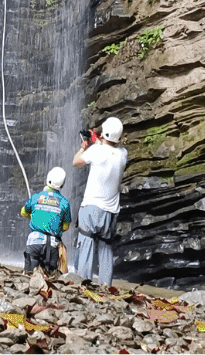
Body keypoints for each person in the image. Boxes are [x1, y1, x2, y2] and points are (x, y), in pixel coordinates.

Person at [71, 116, 128, 286]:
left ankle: (83, 283)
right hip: (110, 212)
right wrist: (97, 139)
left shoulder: (95, 151)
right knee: (105, 248)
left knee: (86, 243)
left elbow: (76, 162)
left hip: (91, 208)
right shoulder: (123, 154)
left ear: (104, 134)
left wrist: (83, 147)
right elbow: (108, 147)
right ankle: (106, 286)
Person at [20, 167, 72, 273]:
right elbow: (66, 226)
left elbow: (23, 212)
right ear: (62, 184)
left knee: (30, 275)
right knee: (51, 278)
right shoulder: (64, 202)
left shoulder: (36, 197)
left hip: (34, 243)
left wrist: (34, 216)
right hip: (52, 246)